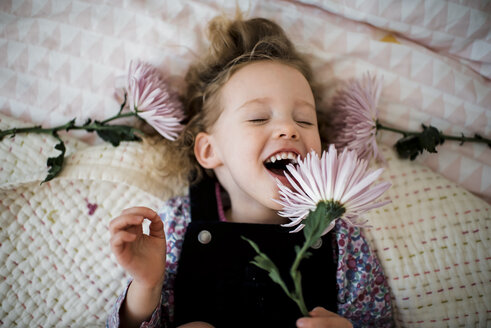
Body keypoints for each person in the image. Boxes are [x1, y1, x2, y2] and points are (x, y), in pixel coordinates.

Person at [107, 13, 393, 328]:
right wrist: (147, 286)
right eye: (258, 118)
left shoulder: (344, 238)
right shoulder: (177, 223)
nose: (288, 128)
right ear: (209, 150)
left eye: (304, 120)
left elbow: (377, 320)